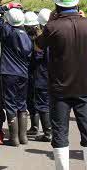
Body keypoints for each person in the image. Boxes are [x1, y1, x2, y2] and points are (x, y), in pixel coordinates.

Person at [34, 0, 87, 170]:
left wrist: (49, 22)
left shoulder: (52, 27)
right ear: (77, 4)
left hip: (59, 89)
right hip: (84, 87)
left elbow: (38, 46)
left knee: (60, 132)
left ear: (57, 6)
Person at [0, 3, 33, 147]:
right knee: (22, 104)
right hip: (23, 73)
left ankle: (14, 138)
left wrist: (7, 6)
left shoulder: (6, 31)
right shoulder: (27, 35)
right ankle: (23, 136)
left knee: (10, 104)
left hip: (8, 72)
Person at [32, 8, 52, 142]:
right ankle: (53, 130)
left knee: (43, 104)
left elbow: (38, 56)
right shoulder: (57, 33)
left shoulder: (43, 38)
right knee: (52, 103)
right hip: (56, 75)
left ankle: (48, 133)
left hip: (43, 75)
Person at [23, 11, 40, 137]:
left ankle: (34, 127)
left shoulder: (25, 39)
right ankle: (41, 127)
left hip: (29, 72)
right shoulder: (41, 38)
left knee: (30, 100)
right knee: (39, 100)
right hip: (41, 73)